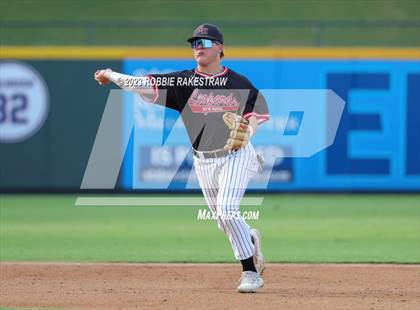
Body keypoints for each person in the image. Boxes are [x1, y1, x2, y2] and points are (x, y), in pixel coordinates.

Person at [94, 23, 270, 293]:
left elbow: (257, 112)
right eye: (195, 43)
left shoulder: (238, 83)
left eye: (205, 42)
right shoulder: (182, 82)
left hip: (237, 154)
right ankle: (249, 239)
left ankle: (251, 273)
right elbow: (140, 84)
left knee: (227, 210)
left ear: (220, 48)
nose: (198, 47)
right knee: (223, 220)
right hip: (203, 160)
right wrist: (111, 74)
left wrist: (248, 132)